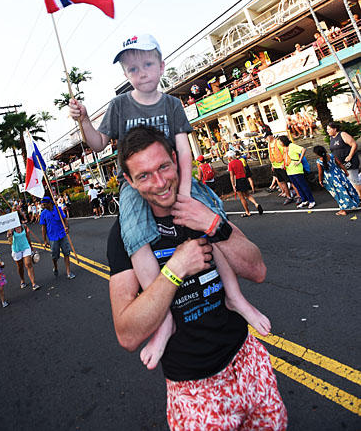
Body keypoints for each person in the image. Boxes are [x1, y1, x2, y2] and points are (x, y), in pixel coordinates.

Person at [69, 34, 269, 370]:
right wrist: (83, 119)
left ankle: (235, 297)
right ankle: (163, 323)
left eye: (148, 64)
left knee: (214, 223)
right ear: (125, 74)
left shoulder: (172, 105)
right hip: (133, 190)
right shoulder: (119, 106)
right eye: (133, 68)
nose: (142, 73)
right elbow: (98, 143)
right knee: (134, 239)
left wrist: (187, 194)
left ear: (161, 66)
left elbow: (184, 152)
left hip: (181, 179)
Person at [108, 126, 286, 430]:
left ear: (175, 159)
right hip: (193, 388)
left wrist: (214, 224)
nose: (160, 183)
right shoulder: (126, 234)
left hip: (248, 360)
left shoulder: (199, 203)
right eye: (144, 175)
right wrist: (175, 269)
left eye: (164, 167)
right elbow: (127, 335)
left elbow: (257, 270)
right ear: (129, 181)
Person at [313, 146, 360, 216]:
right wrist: (345, 171)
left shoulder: (319, 161)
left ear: (317, 154)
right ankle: (355, 202)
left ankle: (343, 210)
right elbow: (340, 164)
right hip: (339, 174)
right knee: (347, 188)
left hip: (331, 179)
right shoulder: (331, 155)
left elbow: (320, 173)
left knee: (338, 193)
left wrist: (320, 180)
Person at [40, 196, 75, 279]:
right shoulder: (43, 213)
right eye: (42, 205)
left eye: (44, 204)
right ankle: (55, 267)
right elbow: (43, 228)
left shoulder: (58, 209)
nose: (43, 206)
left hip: (62, 234)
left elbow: (64, 219)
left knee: (66, 253)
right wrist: (45, 240)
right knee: (54, 256)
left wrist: (67, 227)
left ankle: (68, 272)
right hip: (52, 237)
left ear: (49, 203)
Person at [278, 136, 316, 209]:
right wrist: (283, 164)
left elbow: (303, 149)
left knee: (303, 186)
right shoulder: (284, 148)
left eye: (280, 141)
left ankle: (311, 201)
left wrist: (299, 160)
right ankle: (304, 200)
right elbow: (286, 158)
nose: (279, 143)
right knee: (298, 187)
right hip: (289, 170)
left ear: (283, 141)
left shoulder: (292, 146)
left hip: (296, 170)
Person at [327, 121, 361, 199]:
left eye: (329, 129)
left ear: (335, 129)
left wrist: (350, 156)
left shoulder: (342, 134)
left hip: (350, 161)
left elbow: (354, 144)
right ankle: (356, 196)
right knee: (349, 180)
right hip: (341, 164)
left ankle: (360, 197)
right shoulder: (331, 138)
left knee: (354, 180)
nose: (327, 131)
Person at [7, 213, 41, 291]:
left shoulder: (24, 226)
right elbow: (10, 242)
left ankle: (33, 283)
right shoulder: (11, 229)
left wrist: (31, 247)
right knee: (20, 266)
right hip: (16, 249)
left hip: (26, 247)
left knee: (28, 264)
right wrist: (9, 235)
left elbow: (28, 237)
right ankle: (22, 280)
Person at [227, 151, 263, 217]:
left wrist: (233, 185)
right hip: (243, 178)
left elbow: (231, 175)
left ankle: (247, 212)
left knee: (242, 197)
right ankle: (256, 203)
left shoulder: (230, 164)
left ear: (230, 157)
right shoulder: (239, 161)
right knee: (247, 194)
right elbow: (244, 170)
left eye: (228, 157)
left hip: (238, 180)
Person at [264, 129, 293, 204]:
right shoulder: (269, 144)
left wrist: (284, 162)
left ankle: (298, 195)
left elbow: (285, 152)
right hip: (276, 166)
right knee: (282, 182)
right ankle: (288, 196)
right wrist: (272, 165)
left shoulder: (278, 142)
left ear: (271, 135)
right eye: (265, 138)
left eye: (266, 137)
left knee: (290, 181)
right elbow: (271, 155)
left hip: (282, 165)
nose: (266, 139)